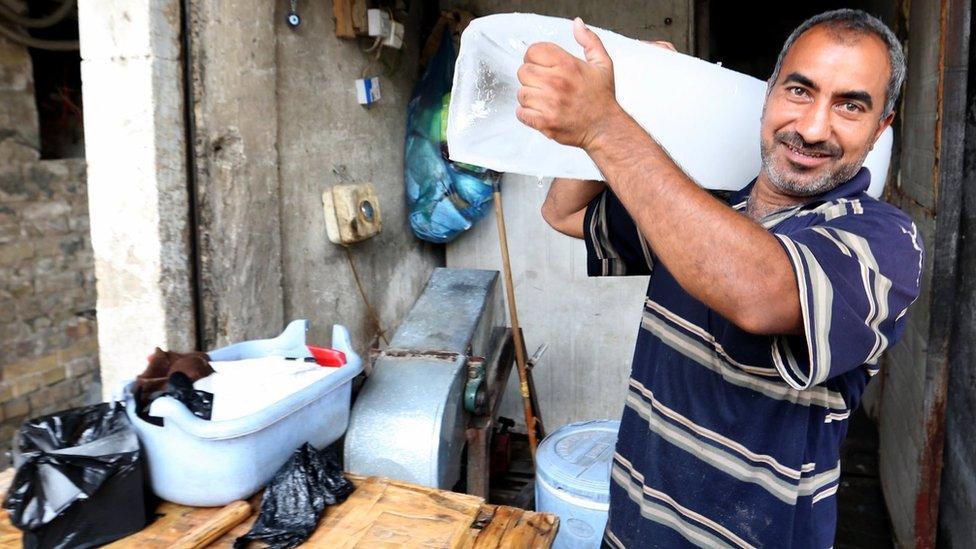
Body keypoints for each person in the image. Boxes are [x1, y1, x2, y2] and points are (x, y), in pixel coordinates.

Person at [519, 9, 924, 548]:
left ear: (880, 128)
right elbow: (564, 213)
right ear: (767, 95)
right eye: (799, 92)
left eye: (850, 105)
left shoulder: (884, 241)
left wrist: (604, 124)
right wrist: (636, 99)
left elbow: (757, 291)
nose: (812, 128)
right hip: (631, 530)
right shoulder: (702, 207)